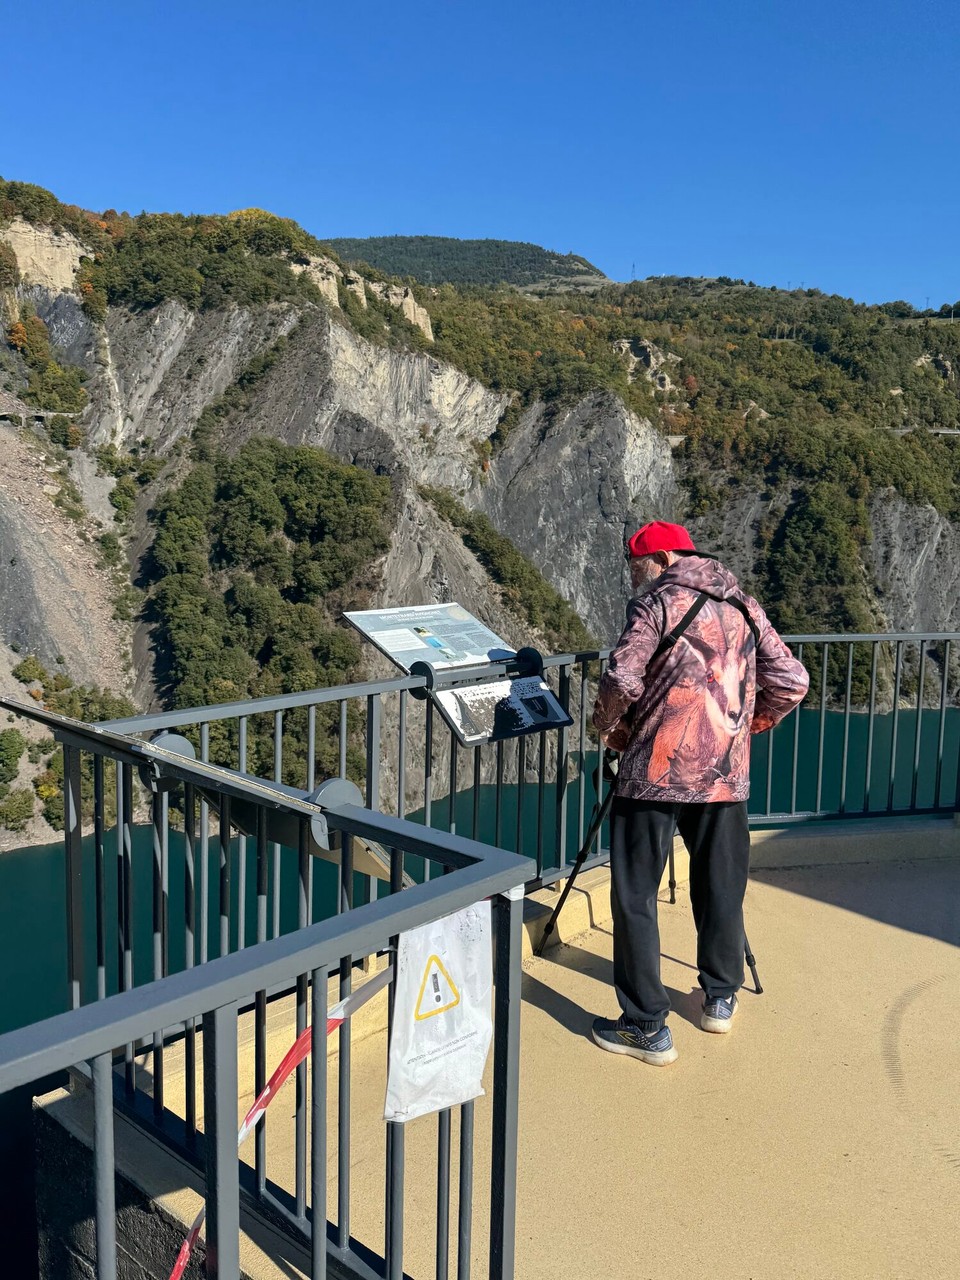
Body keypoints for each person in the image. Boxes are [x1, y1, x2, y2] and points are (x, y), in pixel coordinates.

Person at [591, 520, 809, 1066]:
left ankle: (646, 1026)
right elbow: (792, 680)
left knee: (635, 894)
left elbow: (622, 676)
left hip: (653, 774)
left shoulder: (655, 606)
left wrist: (609, 728)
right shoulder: (743, 605)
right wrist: (744, 728)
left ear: (662, 559)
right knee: (721, 886)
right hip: (723, 778)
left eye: (635, 563)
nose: (632, 575)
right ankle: (719, 998)